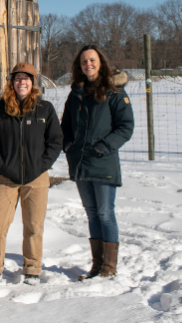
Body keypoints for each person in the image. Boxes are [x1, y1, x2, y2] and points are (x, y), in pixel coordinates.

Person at [0, 62, 63, 285]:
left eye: (26, 78)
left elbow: (55, 141)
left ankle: (32, 268)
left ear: (33, 82)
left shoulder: (45, 109)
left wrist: (41, 165)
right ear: (12, 82)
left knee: (34, 226)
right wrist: (2, 165)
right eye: (17, 78)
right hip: (6, 178)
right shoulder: (0, 109)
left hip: (36, 178)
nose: (22, 82)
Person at [61, 46, 134, 281]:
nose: (88, 64)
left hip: (103, 162)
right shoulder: (76, 93)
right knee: (92, 214)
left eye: (92, 60)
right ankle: (97, 265)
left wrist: (103, 147)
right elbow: (66, 126)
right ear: (79, 65)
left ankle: (109, 268)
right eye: (84, 61)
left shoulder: (114, 92)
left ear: (101, 62)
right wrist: (69, 146)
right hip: (81, 163)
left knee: (105, 213)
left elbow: (125, 127)